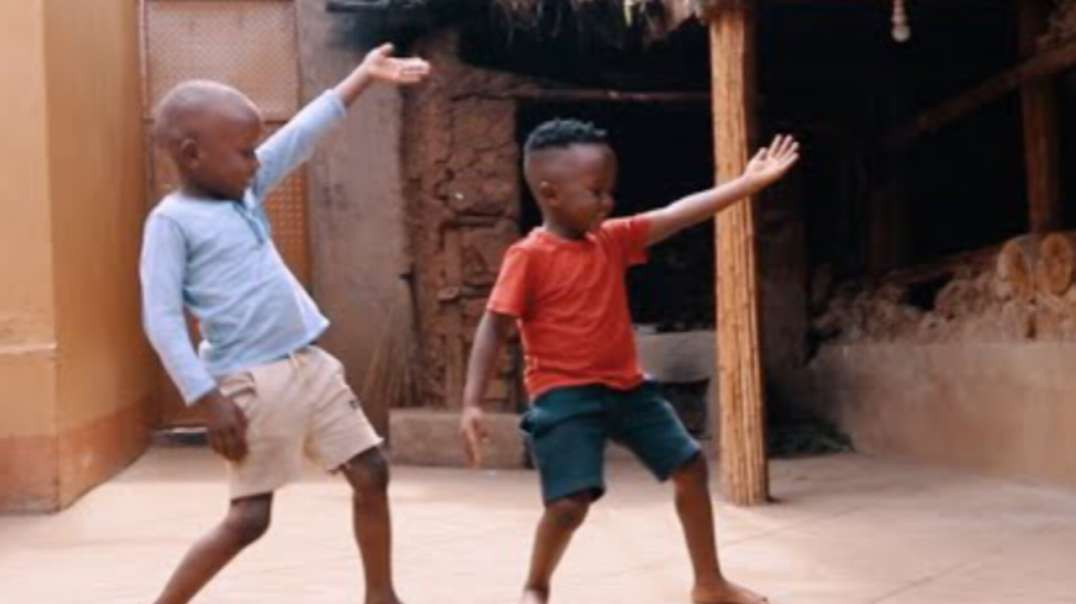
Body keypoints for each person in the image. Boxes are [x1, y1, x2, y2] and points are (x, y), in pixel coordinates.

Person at [459, 118, 798, 604]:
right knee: (569, 505)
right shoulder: (528, 256)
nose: (608, 202)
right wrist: (473, 402)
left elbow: (678, 213)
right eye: (596, 192)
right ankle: (536, 584)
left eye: (609, 191)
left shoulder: (613, 240)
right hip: (564, 396)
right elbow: (493, 325)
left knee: (690, 466)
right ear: (551, 194)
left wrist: (746, 184)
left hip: (627, 388)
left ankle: (709, 584)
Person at [140, 43, 429, 604]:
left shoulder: (241, 193)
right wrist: (206, 399)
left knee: (372, 472)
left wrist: (362, 78)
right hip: (248, 381)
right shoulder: (171, 222)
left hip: (309, 364)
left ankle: (382, 595)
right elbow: (160, 317)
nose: (256, 161)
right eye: (245, 152)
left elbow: (299, 136)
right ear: (193, 154)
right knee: (250, 519)